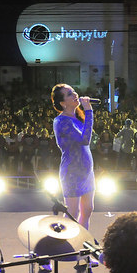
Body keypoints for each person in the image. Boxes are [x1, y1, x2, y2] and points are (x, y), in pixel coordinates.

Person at [51, 84, 95, 230]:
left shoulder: (76, 119)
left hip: (86, 172)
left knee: (87, 210)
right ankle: (64, 243)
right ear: (62, 103)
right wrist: (89, 111)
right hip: (72, 172)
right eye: (69, 94)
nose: (75, 94)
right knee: (72, 213)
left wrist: (87, 113)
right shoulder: (61, 122)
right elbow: (85, 140)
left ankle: (82, 243)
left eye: (74, 91)